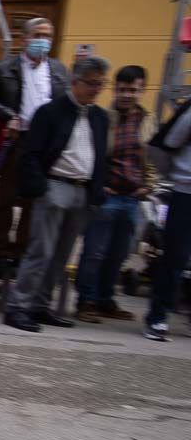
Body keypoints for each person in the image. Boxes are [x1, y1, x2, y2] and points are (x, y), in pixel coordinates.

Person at [3, 56, 110, 333]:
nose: (96, 89)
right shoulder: (50, 112)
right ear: (75, 82)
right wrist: (41, 187)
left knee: (62, 254)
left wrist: (96, 191)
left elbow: (100, 156)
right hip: (55, 185)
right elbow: (32, 154)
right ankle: (18, 306)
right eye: (91, 83)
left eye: (101, 84)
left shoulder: (100, 117)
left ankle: (41, 304)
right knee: (41, 250)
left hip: (82, 190)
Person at [0, 18, 70, 271]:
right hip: (18, 140)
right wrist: (8, 116)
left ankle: (22, 252)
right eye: (37, 34)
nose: (43, 40)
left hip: (46, 145)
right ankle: (1, 250)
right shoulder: (6, 69)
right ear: (24, 38)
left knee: (34, 200)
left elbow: (67, 104)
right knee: (6, 197)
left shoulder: (59, 71)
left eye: (47, 36)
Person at [73, 65, 157, 323]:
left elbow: (152, 156)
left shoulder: (147, 120)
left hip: (133, 197)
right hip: (106, 195)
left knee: (119, 253)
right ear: (115, 89)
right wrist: (98, 185)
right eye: (122, 89)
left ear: (141, 91)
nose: (127, 95)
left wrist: (148, 185)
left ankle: (105, 299)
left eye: (133, 90)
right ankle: (86, 301)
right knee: (94, 251)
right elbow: (92, 153)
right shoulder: (101, 118)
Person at [143, 100, 191, 342]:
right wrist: (176, 176)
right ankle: (157, 317)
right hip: (186, 193)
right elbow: (165, 145)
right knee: (175, 257)